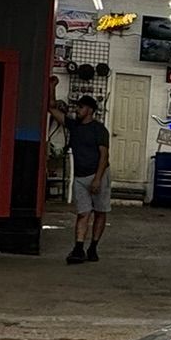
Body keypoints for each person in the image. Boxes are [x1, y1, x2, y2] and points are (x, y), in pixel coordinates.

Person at [50, 92, 111, 263]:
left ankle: (93, 247)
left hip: (99, 173)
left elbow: (104, 155)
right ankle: (78, 248)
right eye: (77, 107)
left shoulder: (99, 130)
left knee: (100, 211)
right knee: (83, 213)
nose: (77, 110)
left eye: (81, 107)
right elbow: (51, 108)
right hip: (80, 176)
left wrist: (98, 179)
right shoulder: (74, 126)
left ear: (90, 110)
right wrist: (52, 86)